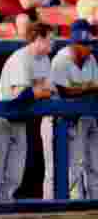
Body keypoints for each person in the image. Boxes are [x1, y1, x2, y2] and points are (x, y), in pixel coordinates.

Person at [0, 22, 54, 203]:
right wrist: (39, 90)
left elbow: (49, 91)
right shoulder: (20, 58)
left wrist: (38, 91)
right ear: (38, 39)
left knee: (15, 175)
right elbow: (19, 94)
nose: (53, 43)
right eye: (49, 39)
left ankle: (5, 216)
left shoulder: (45, 59)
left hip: (19, 119)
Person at [42, 19, 98, 200]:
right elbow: (65, 92)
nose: (89, 48)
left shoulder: (91, 60)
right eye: (85, 45)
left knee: (87, 166)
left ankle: (90, 205)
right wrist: (88, 87)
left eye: (90, 44)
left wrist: (85, 88)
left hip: (81, 119)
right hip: (57, 121)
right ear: (74, 45)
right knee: (56, 170)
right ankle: (50, 209)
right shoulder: (61, 60)